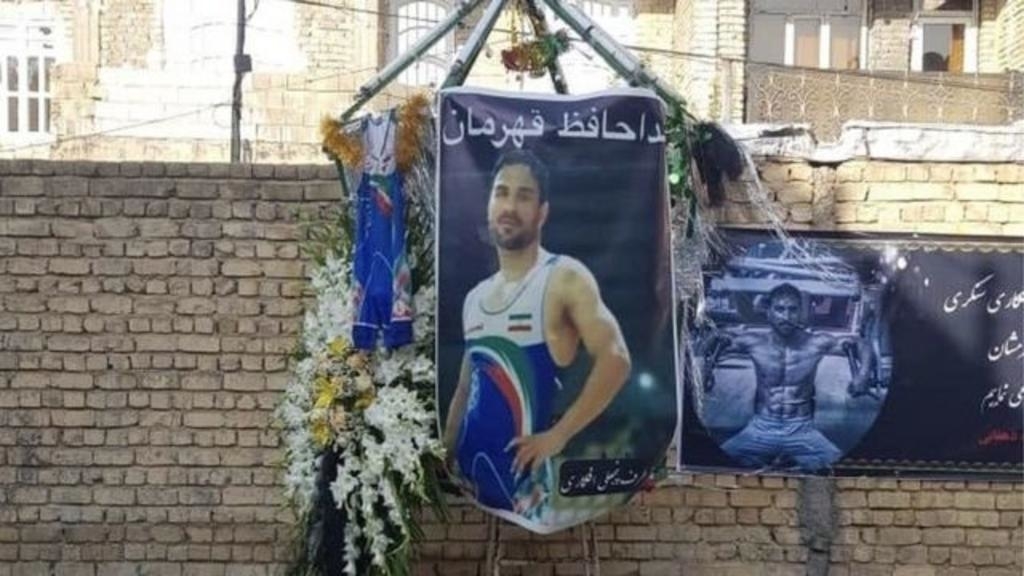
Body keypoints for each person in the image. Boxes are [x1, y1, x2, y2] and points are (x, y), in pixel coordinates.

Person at [443, 149, 632, 521]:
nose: (510, 206)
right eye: (501, 193)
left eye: (524, 196)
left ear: (542, 212)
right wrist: (445, 454)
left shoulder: (562, 277)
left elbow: (617, 359)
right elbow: (466, 388)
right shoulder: (475, 298)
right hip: (472, 481)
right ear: (488, 204)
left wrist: (559, 435)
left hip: (525, 491)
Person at [700, 282, 876, 471]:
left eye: (792, 310)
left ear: (800, 312)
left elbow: (861, 344)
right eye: (780, 309)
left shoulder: (815, 343)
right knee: (713, 464)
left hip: (802, 430)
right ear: (769, 312)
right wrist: (703, 371)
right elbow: (713, 339)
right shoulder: (754, 342)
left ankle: (786, 462)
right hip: (760, 429)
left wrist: (863, 375)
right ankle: (777, 462)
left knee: (842, 468)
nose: (786, 316)